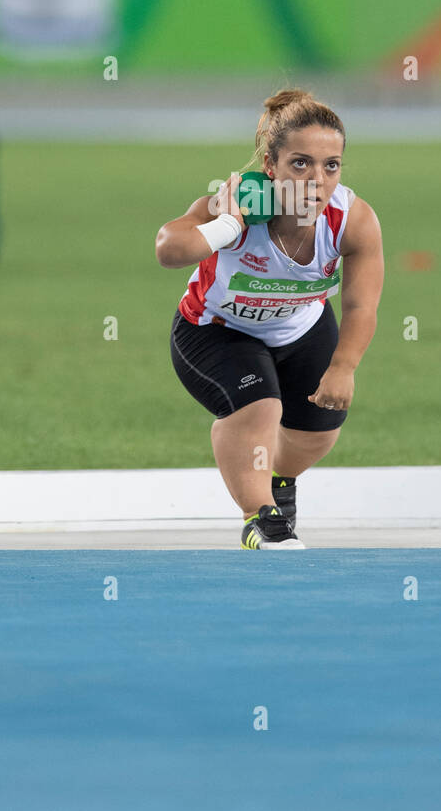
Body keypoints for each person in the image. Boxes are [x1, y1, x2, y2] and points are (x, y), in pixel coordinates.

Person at [156, 88, 384, 550]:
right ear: (270, 165)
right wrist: (228, 226)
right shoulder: (236, 202)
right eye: (300, 163)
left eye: (331, 165)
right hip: (215, 331)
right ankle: (258, 518)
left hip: (303, 328)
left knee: (317, 434)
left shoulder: (353, 221)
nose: (317, 179)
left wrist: (343, 368)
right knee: (260, 408)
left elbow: (362, 306)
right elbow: (168, 250)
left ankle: (278, 482)